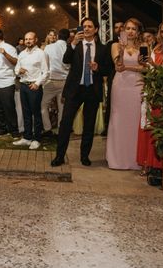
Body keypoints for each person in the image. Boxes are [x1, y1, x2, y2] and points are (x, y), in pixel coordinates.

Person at [51, 17, 110, 167]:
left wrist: (98, 69)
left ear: (96, 29)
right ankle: (59, 156)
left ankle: (85, 156)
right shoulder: (75, 45)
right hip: (74, 90)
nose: (87, 28)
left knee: (89, 125)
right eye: (84, 26)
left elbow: (108, 69)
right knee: (65, 123)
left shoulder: (103, 48)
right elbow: (65, 60)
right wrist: (73, 43)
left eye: (90, 26)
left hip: (92, 90)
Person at [137, 19, 163, 173]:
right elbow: (150, 72)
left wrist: (152, 65)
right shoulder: (156, 48)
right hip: (152, 92)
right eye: (162, 31)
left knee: (159, 129)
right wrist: (145, 65)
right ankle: (148, 163)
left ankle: (159, 166)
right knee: (149, 127)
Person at [106, 18, 145, 170]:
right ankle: (117, 159)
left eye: (133, 29)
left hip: (137, 85)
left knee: (135, 120)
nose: (130, 31)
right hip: (120, 86)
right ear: (123, 31)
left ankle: (135, 160)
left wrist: (133, 69)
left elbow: (146, 68)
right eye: (127, 28)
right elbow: (119, 67)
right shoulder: (116, 45)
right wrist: (122, 52)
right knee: (118, 119)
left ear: (138, 32)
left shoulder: (143, 46)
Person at [13, 32, 49, 150]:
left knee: (36, 114)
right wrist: (19, 71)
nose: (28, 41)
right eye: (26, 39)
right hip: (23, 85)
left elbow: (46, 72)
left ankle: (37, 139)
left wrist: (37, 84)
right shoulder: (22, 53)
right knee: (26, 113)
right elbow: (16, 68)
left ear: (36, 40)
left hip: (34, 87)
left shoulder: (41, 54)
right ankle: (27, 137)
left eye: (30, 39)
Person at [41, 28, 70, 134]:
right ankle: (60, 129)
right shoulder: (69, 47)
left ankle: (47, 128)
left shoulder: (48, 47)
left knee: (43, 105)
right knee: (62, 107)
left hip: (51, 80)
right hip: (65, 81)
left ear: (58, 36)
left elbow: (45, 65)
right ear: (68, 38)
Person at [103, 21, 125, 132]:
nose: (119, 29)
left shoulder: (134, 43)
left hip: (129, 76)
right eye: (116, 27)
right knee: (112, 100)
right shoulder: (111, 44)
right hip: (114, 74)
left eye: (121, 27)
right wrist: (106, 77)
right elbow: (107, 62)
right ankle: (109, 125)